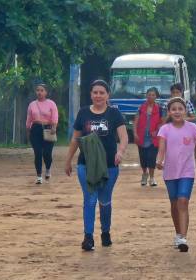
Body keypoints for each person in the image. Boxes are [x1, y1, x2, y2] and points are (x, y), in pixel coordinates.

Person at [64, 80, 128, 251]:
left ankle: (105, 232)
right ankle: (88, 237)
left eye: (102, 92)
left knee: (104, 201)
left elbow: (123, 137)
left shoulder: (114, 114)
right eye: (95, 92)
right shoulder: (83, 113)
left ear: (108, 95)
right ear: (91, 94)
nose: (98, 95)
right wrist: (68, 160)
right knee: (90, 200)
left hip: (110, 165)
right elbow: (75, 139)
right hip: (86, 164)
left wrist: (120, 152)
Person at [156, 97, 196, 252]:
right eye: (174, 109)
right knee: (174, 204)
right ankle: (178, 233)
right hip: (170, 172)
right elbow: (161, 150)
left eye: (180, 109)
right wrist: (159, 161)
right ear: (169, 112)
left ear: (185, 111)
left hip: (187, 171)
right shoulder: (164, 129)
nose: (177, 112)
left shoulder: (192, 128)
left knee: (183, 201)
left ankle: (183, 238)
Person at [25, 83, 58, 184]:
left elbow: (55, 116)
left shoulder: (51, 103)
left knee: (47, 153)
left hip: (48, 129)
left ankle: (48, 169)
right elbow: (29, 119)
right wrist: (28, 130)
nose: (39, 92)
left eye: (42, 90)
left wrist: (54, 127)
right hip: (35, 129)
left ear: (46, 92)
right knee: (38, 153)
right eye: (38, 90)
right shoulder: (32, 104)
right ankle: (39, 176)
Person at [133, 87, 164, 187]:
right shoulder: (141, 108)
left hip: (153, 138)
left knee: (151, 157)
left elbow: (162, 123)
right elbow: (135, 121)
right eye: (149, 94)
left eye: (153, 95)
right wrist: (135, 133)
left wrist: (157, 131)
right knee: (143, 157)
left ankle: (152, 177)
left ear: (156, 96)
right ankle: (144, 174)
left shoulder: (159, 109)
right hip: (141, 136)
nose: (151, 97)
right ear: (146, 95)